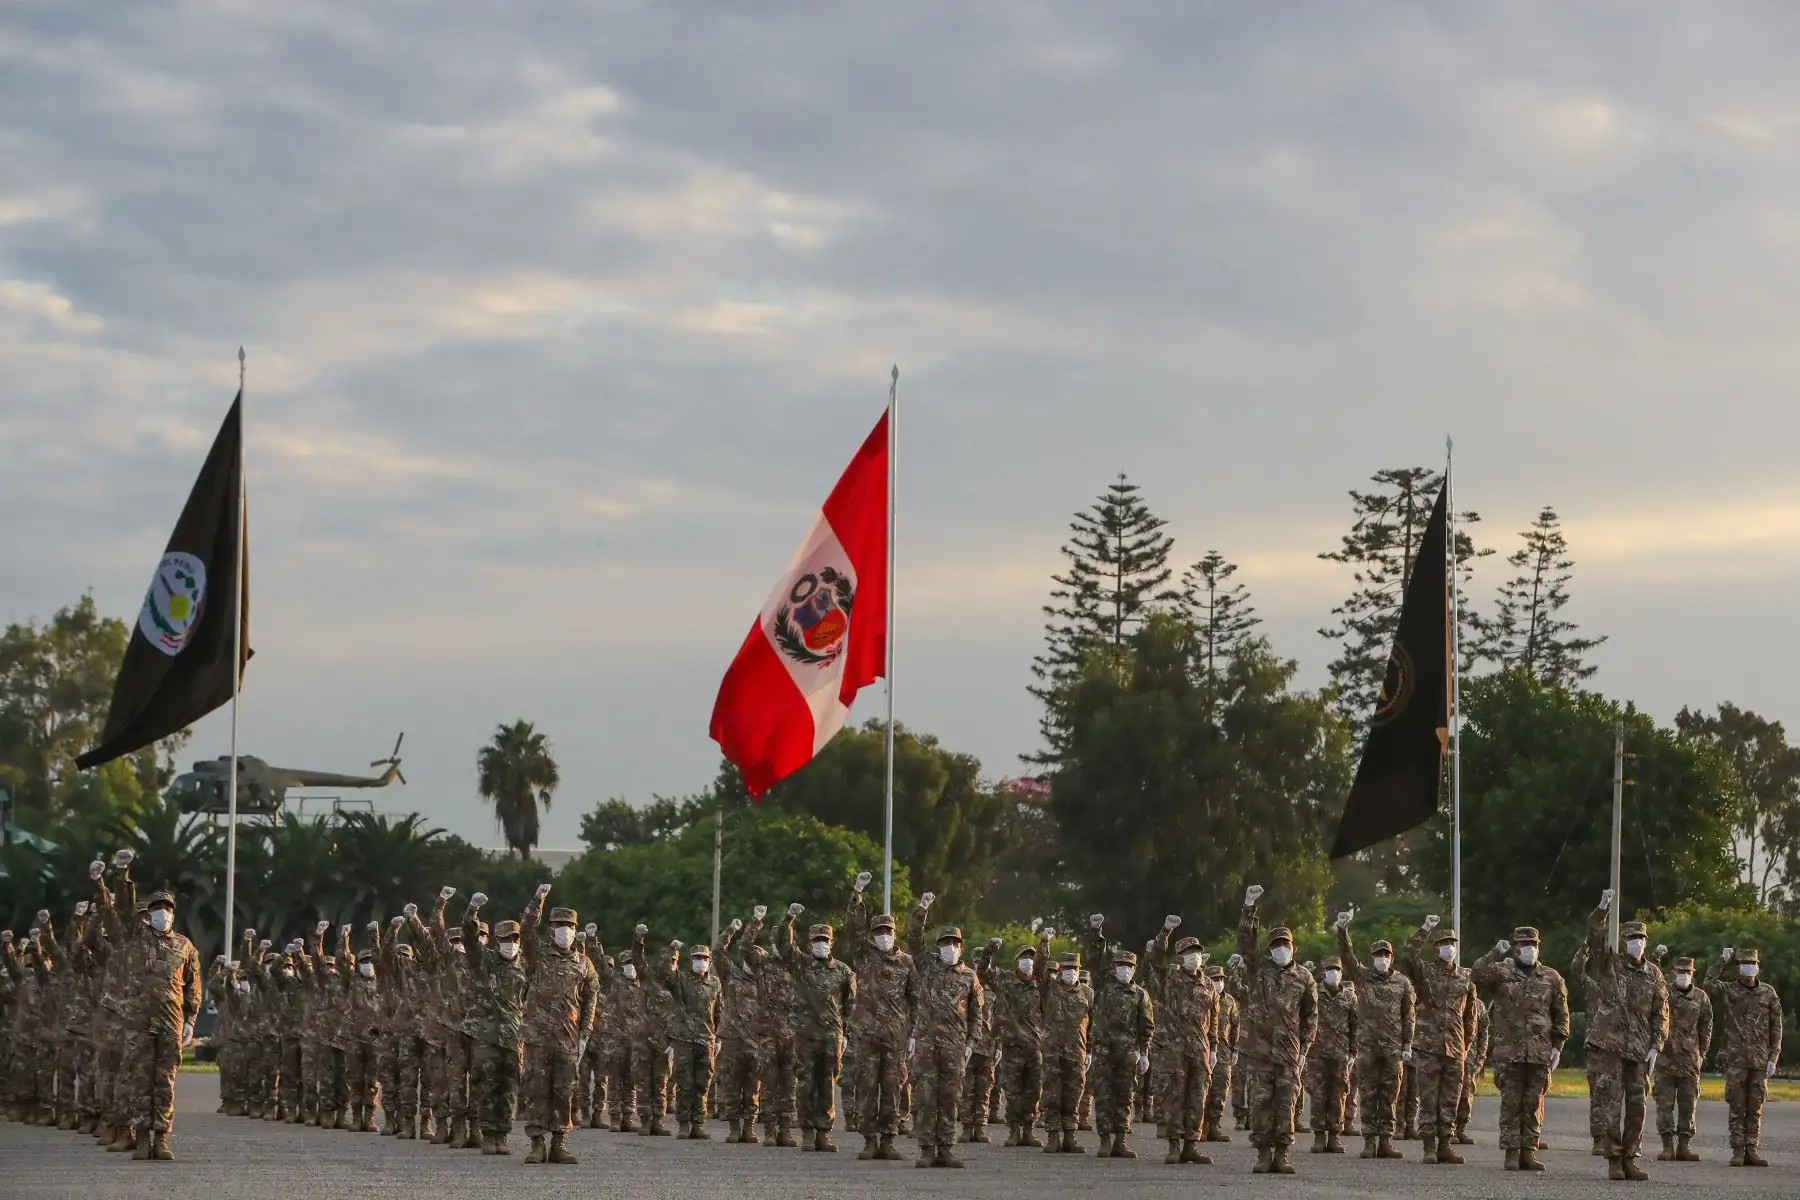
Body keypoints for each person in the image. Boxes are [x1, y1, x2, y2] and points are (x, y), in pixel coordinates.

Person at [96, 854, 200, 1162]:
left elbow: (193, 984)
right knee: (139, 1079)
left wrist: (191, 1019)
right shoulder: (135, 937)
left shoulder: (185, 946)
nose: (162, 914)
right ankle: (141, 1139)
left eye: (167, 909)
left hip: (171, 1021)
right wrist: (123, 874)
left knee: (165, 1080)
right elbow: (123, 908)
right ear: (148, 914)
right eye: (156, 909)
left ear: (173, 914)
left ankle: (162, 1139)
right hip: (138, 1022)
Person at [1581, 893, 1668, 1181]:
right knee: (1610, 1104)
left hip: (1640, 1049)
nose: (1637, 943)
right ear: (1624, 941)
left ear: (1646, 942)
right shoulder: (1610, 964)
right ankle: (1614, 1159)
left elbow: (1661, 1012)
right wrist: (1603, 908)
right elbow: (1593, 936)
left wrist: (1657, 1045)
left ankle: (1631, 1157)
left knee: (1637, 1105)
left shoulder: (1654, 974)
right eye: (1632, 938)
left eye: (1641, 938)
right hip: (1611, 1046)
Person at [1469, 926, 1569, 1171]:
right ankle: (1511, 1153)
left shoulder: (1551, 977)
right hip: (1509, 1051)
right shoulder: (1501, 972)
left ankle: (1529, 1152)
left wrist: (1558, 1045)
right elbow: (1475, 976)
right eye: (1524, 944)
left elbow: (1561, 1014)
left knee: (1534, 1103)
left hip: (1539, 1051)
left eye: (1533, 944)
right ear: (1515, 947)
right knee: (1511, 1103)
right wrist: (1494, 953)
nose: (1529, 949)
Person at [1237, 886, 1318, 1174]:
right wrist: (1249, 906)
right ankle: (1262, 1154)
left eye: (1285, 944)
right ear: (1269, 949)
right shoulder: (1259, 968)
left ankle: (1282, 1154)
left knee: (1286, 1104)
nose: (1280, 949)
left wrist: (1305, 1048)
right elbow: (1246, 942)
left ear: (1294, 948)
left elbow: (1311, 1015)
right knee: (1260, 1103)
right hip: (1260, 1051)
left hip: (1289, 1053)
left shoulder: (1305, 977)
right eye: (1275, 945)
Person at [518, 889, 599, 1164]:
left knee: (564, 1091)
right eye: (558, 926)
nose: (564, 930)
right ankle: (537, 1144)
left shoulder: (584, 963)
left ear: (575, 930)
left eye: (569, 926)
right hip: (537, 1036)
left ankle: (559, 1143)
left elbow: (591, 998)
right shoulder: (538, 952)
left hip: (567, 1038)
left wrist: (585, 1032)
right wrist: (537, 900)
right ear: (550, 929)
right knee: (536, 1089)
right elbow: (527, 928)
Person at [843, 886, 918, 1159]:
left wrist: (913, 1034)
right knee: (866, 1087)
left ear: (894, 933)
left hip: (895, 1037)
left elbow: (915, 999)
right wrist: (857, 896)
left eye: (888, 931)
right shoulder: (864, 955)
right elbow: (853, 928)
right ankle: (869, 1141)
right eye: (879, 932)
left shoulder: (906, 963)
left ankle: (887, 1139)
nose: (883, 936)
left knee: (892, 1088)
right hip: (866, 1036)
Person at [780, 897, 856, 1154]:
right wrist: (789, 919)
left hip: (831, 1035)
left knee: (827, 1083)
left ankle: (824, 1133)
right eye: (816, 941)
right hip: (805, 1033)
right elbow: (783, 944)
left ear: (831, 943)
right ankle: (808, 1133)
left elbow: (851, 1004)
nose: (821, 944)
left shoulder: (843, 971)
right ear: (810, 943)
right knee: (805, 1083)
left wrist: (845, 1032)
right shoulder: (801, 964)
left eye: (824, 940)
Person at [1399, 915, 1476, 1166]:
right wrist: (1425, 929)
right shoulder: (1426, 972)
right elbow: (1409, 954)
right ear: (1436, 948)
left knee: (1451, 1099)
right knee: (1429, 1098)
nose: (1449, 947)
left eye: (1452, 943)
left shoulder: (1465, 976)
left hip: (1455, 1047)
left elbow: (1470, 1015)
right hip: (1429, 1046)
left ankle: (1445, 1144)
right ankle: (1429, 1147)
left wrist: (1466, 1044)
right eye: (1444, 943)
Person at [1336, 913, 1413, 1161]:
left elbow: (1408, 1014)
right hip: (1368, 1047)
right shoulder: (1362, 977)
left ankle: (1386, 1141)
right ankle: (1369, 1141)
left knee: (1390, 1094)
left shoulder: (1402, 982)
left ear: (1392, 957)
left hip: (1392, 1048)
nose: (1382, 958)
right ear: (1372, 958)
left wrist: (1407, 1044)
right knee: (1368, 1093)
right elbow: (1346, 955)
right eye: (1378, 955)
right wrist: (1342, 929)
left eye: (1386, 954)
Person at [906, 915, 982, 1168]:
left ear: (961, 947)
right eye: (945, 942)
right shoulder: (927, 965)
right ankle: (927, 1149)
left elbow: (976, 1013)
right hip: (927, 1044)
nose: (950, 946)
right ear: (938, 946)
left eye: (954, 942)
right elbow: (914, 939)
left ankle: (946, 1149)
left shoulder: (970, 977)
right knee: (926, 1098)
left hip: (955, 1046)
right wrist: (922, 911)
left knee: (950, 1099)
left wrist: (972, 1041)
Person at [1082, 916, 1155, 1159]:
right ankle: (1104, 1140)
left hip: (1128, 1052)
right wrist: (1096, 932)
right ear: (1115, 968)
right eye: (1121, 965)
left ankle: (1120, 1141)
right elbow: (1093, 959)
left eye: (1129, 966)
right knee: (1103, 1094)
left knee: (1125, 1095)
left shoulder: (1140, 994)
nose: (1125, 969)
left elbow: (1146, 1025)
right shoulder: (1104, 984)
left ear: (1135, 969)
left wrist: (1144, 1053)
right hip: (1104, 1049)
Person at [1148, 921, 1219, 1166]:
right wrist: (1165, 932)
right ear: (1179, 957)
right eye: (1189, 953)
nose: (1195, 957)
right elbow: (1156, 957)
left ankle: (1191, 1146)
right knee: (1174, 1097)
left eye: (1197, 952)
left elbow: (1214, 1017)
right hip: (1173, 1049)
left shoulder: (1208, 984)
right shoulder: (1168, 977)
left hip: (1199, 1050)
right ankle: (1174, 1146)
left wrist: (1214, 1047)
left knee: (1197, 1099)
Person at [462, 892, 528, 1155]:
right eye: (504, 939)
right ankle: (488, 1134)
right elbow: (469, 938)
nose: (510, 943)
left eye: (514, 939)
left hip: (514, 1034)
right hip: (487, 1034)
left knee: (509, 1086)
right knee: (487, 1083)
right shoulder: (486, 960)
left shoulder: (526, 965)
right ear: (496, 941)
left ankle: (502, 1134)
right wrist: (472, 911)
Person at [1703, 947, 1782, 1167]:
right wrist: (1721, 960)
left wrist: (1773, 1057)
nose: (1749, 967)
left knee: (1755, 1106)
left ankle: (1752, 1150)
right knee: (1737, 1105)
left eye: (1752, 963)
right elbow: (1708, 984)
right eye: (1744, 963)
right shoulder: (1729, 990)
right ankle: (1738, 1150)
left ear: (1758, 966)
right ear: (1738, 967)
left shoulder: (1768, 993)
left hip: (1759, 1060)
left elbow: (1776, 1027)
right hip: (1736, 1059)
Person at [983, 925, 1054, 1148]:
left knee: (1034, 1090)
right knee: (1013, 1091)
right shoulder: (1005, 981)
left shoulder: (1041, 984)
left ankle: (1028, 1131)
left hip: (1035, 1047)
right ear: (1016, 961)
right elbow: (983, 972)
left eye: (1031, 958)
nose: (1028, 961)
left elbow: (1043, 964)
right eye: (1024, 957)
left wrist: (1044, 942)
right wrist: (989, 951)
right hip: (1012, 1046)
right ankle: (1014, 1131)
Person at [1654, 955, 1711, 1162]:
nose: (1684, 975)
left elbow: (1706, 1027)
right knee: (1664, 1103)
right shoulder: (1663, 993)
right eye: (1680, 971)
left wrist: (1702, 1053)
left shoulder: (1701, 997)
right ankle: (1667, 1146)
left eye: (1687, 972)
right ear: (1673, 973)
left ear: (1692, 974)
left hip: (1689, 1060)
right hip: (1665, 1060)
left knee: (1688, 1104)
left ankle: (1684, 1146)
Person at [1306, 954, 1355, 1155]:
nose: (1333, 973)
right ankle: (1319, 1136)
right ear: (1323, 973)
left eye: (1337, 969)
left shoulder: (1350, 996)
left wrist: (1353, 1050)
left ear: (1341, 973)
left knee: (1339, 1095)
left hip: (1341, 1053)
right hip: (1317, 1053)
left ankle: (1334, 1136)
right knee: (1318, 1095)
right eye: (1329, 970)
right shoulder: (1314, 993)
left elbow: (1355, 1025)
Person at [1202, 963, 1238, 1144]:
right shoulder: (1201, 996)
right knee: (1201, 1090)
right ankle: (1200, 1127)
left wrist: (1235, 1048)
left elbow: (1235, 1025)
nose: (1219, 982)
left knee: (1220, 1089)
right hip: (1203, 1049)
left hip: (1223, 1052)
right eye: (1215, 979)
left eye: (1221, 979)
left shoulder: (1229, 1001)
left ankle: (1214, 1126)